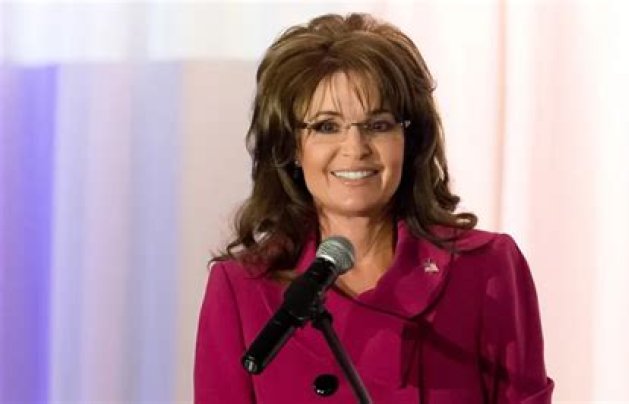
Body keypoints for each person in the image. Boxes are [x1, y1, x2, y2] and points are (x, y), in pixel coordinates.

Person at [194, 12, 553, 403]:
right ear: (292, 146)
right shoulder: (242, 289)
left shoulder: (487, 269)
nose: (355, 148)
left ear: (408, 140)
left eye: (378, 125)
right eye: (326, 126)